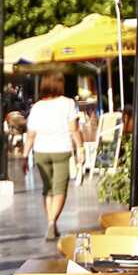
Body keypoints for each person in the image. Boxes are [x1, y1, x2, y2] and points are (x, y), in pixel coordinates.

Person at [24, 73, 85, 241]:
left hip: (41, 151)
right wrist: (80, 148)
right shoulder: (68, 103)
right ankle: (52, 222)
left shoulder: (37, 107)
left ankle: (52, 224)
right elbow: (74, 129)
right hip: (61, 150)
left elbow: (31, 134)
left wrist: (25, 155)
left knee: (48, 189)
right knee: (60, 189)